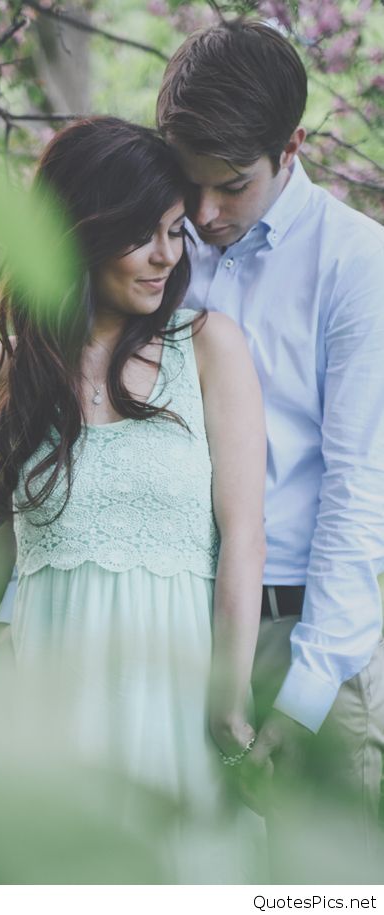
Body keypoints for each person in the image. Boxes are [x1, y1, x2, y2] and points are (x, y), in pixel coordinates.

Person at [0, 116, 266, 880]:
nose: (168, 255)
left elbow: (244, 534)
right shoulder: (4, 369)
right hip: (45, 710)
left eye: (173, 231)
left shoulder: (209, 346)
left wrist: (227, 699)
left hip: (174, 708)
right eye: (143, 235)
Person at [156, 18, 384, 857]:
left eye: (233, 186)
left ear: (290, 148)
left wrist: (309, 693)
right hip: (170, 623)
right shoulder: (160, 246)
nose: (206, 213)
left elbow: (363, 489)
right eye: (192, 184)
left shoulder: (357, 265)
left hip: (303, 636)